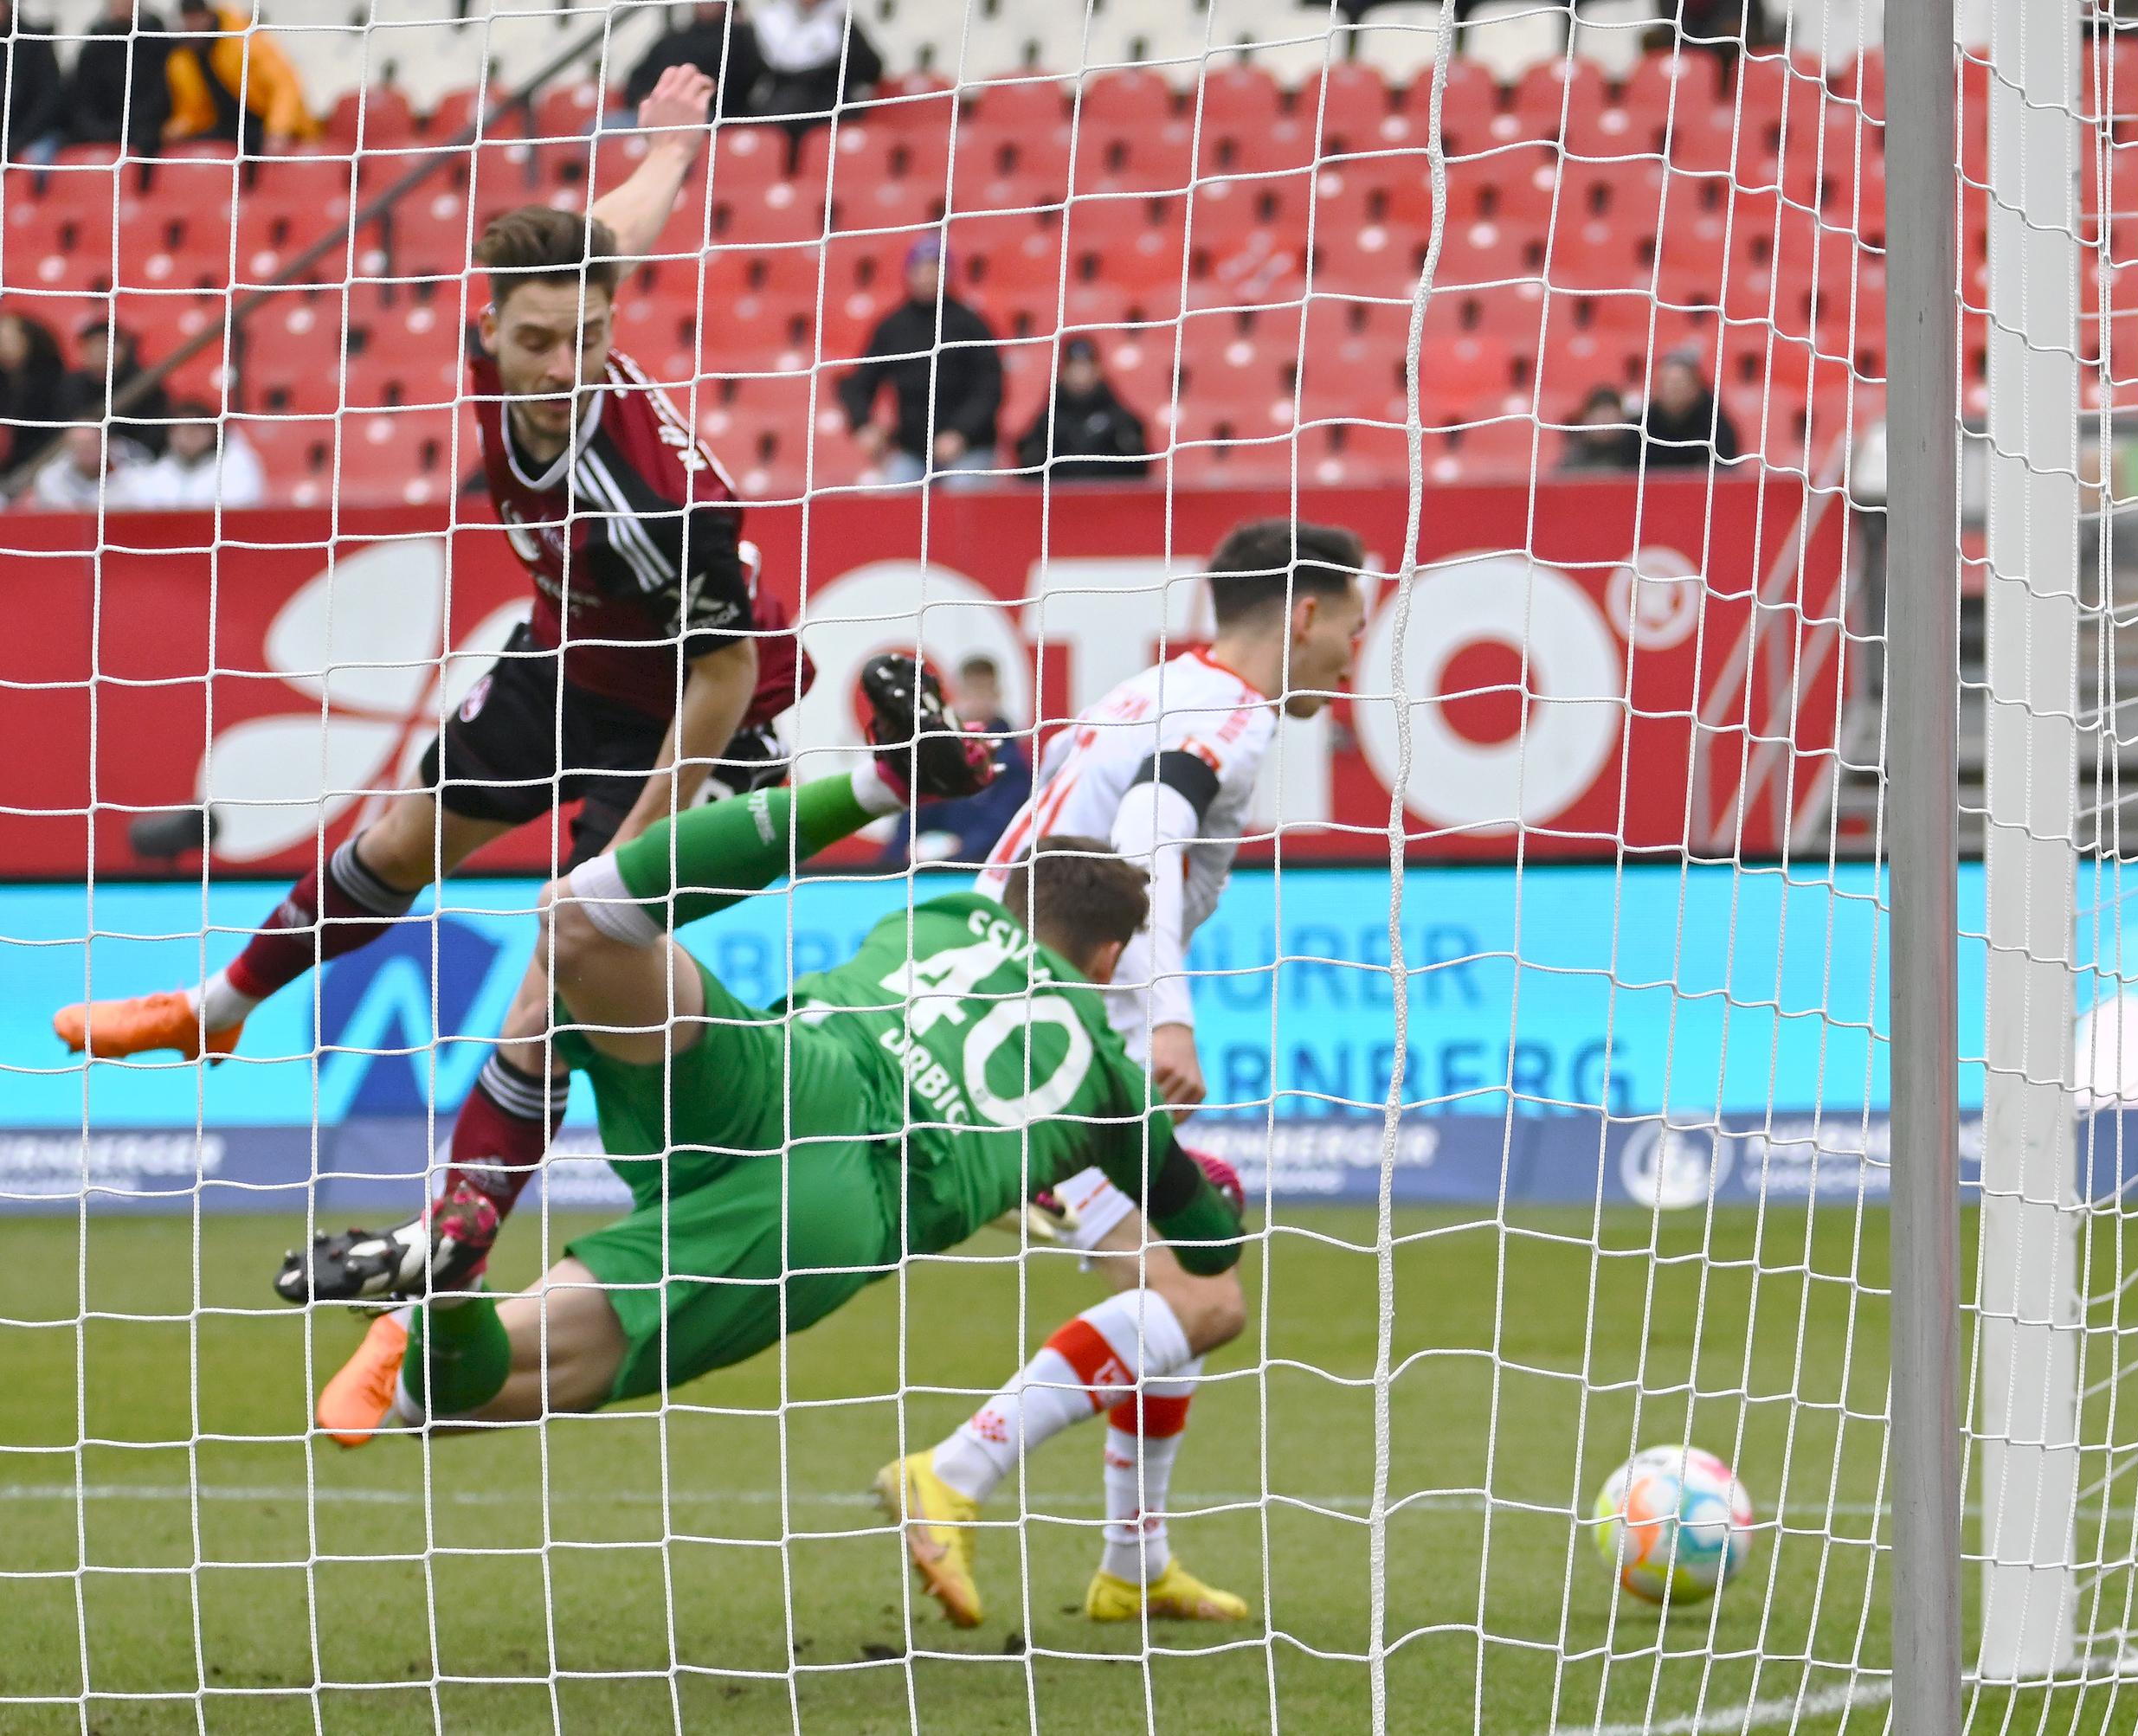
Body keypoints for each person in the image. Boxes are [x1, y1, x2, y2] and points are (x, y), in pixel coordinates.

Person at [56, 67, 810, 1314]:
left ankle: (450, 1235)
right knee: (399, 839)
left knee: (562, 948)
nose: (563, 365)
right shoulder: (516, 349)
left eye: (585, 342)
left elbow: (726, 670)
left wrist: (624, 852)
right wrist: (672, 150)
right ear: (490, 331)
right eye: (536, 341)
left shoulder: (659, 502)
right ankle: (217, 1007)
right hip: (568, 651)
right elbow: (604, 238)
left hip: (692, 706)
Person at [294, 664, 1243, 1545]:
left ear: (1015, 901)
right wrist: (1204, 1184)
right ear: (1112, 961)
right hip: (836, 1206)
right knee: (459, 1392)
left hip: (792, 1064)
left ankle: (878, 785)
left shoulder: (935, 915)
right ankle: (450, 1292)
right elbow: (1204, 1250)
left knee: (576, 926)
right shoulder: (1112, 1085)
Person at [883, 518, 1367, 1631]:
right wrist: (1165, 1018)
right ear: (1301, 613)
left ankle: (1130, 1561)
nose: (1353, 648)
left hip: (992, 990)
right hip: (1046, 1039)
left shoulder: (1148, 689)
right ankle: (952, 1470)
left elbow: (1053, 828)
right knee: (1203, 1298)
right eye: (1350, 619)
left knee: (1192, 1248)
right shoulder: (1230, 719)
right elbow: (1146, 835)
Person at [839, 235, 1001, 487]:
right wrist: (863, 424)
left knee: (961, 493)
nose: (926, 277)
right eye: (919, 269)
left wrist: (961, 432)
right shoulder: (892, 327)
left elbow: (990, 388)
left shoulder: (971, 325)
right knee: (893, 496)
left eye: (934, 269)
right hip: (912, 451)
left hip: (969, 448)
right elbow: (859, 382)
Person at [902, 654, 1032, 866]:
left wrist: (957, 853)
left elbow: (1003, 824)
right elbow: (918, 810)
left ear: (997, 695)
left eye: (984, 691)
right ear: (957, 695)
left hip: (983, 867)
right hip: (932, 870)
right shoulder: (939, 751)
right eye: (970, 692)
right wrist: (899, 856)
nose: (977, 701)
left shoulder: (1012, 762)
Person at [164, 0, 318, 150]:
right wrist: (181, 128)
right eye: (188, 20)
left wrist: (278, 130)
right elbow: (194, 111)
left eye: (196, 18)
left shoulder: (245, 41)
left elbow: (285, 86)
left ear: (208, 15)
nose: (193, 26)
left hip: (267, 123)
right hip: (229, 129)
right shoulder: (183, 59)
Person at [1013, 338, 1151, 483]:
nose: (1080, 374)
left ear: (1098, 370)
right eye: (1074, 367)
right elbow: (1028, 464)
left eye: (1086, 366)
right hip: (1059, 499)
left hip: (1108, 499)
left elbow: (1138, 466)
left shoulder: (1119, 419)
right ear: (1064, 371)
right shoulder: (1048, 420)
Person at [619, 1, 760, 125]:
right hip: (651, 114)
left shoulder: (738, 38)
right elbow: (637, 78)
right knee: (605, 128)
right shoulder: (673, 39)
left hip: (708, 118)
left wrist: (690, 102)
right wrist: (646, 99)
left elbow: (738, 85)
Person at [63, 0, 173, 157]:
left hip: (143, 132)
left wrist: (127, 128)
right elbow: (81, 96)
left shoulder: (155, 39)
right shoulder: (96, 41)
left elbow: (159, 95)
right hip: (97, 130)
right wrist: (98, 130)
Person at [102, 403, 265, 509]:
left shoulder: (237, 466)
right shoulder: (160, 471)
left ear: (214, 432)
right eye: (179, 429)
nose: (187, 436)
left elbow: (238, 512)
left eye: (195, 429)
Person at [748, 0, 879, 125]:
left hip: (826, 105)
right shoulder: (769, 23)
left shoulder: (841, 23)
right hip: (779, 104)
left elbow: (871, 68)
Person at [56, 319, 168, 461]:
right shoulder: (71, 385)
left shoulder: (145, 384)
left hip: (131, 463)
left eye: (107, 345)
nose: (100, 351)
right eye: (93, 345)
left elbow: (154, 434)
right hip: (75, 462)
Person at [1640, 350, 1739, 468]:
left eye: (1679, 383)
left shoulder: (1717, 426)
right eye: (1666, 383)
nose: (1672, 390)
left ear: (1696, 386)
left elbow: (1724, 469)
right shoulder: (1642, 426)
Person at [0, 308, 66, 472]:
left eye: (9, 340)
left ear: (29, 339)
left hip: (44, 463)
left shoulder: (54, 380)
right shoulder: (4, 381)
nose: (4, 347)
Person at [3, 0, 66, 162]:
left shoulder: (34, 42)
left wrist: (16, 142)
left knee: (35, 163)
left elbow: (48, 102)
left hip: (34, 137)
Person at [20, 422, 138, 509]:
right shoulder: (50, 479)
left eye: (91, 443)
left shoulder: (132, 475)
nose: (85, 449)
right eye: (78, 444)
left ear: (106, 443)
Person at [1558, 383, 1643, 473]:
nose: (1605, 422)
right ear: (1586, 418)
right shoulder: (1572, 461)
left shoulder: (1637, 458)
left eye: (1610, 416)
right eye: (1600, 416)